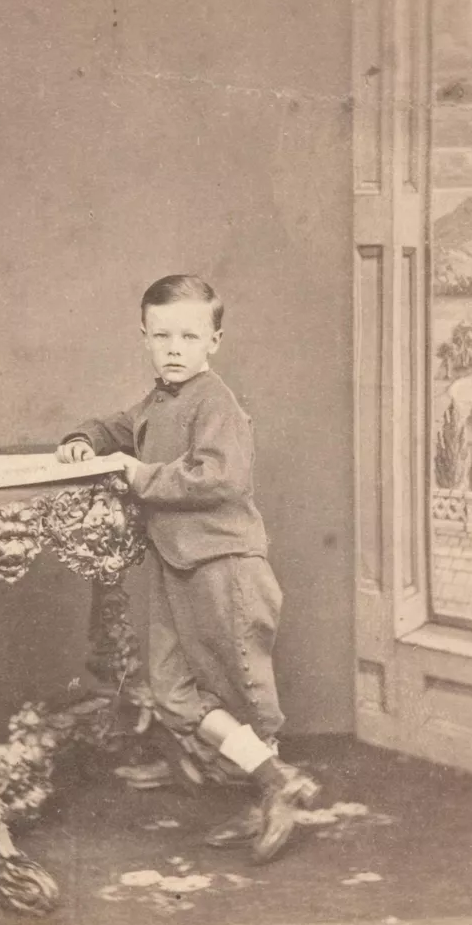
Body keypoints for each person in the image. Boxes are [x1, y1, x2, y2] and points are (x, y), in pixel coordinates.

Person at [56, 275, 321, 863]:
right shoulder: (159, 401)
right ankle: (275, 783)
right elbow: (119, 428)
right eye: (162, 336)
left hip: (224, 565)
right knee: (174, 693)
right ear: (144, 336)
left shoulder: (214, 402)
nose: (174, 348)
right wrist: (83, 438)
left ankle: (270, 793)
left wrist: (139, 475)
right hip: (179, 566)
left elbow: (220, 476)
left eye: (189, 336)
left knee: (242, 690)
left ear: (214, 341)